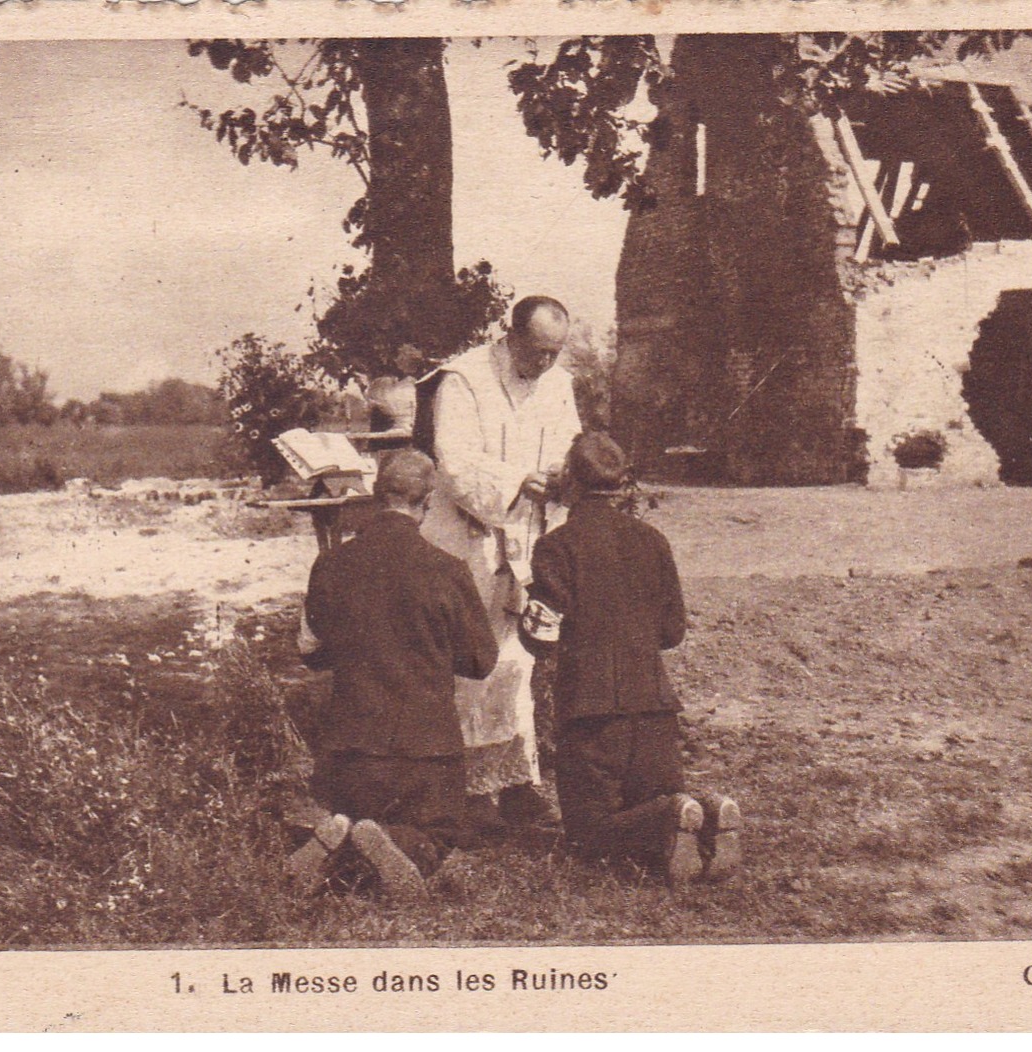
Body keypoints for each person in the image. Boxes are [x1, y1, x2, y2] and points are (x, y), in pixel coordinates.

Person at [519, 431, 742, 883]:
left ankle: (670, 817)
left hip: (591, 712)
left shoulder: (556, 547)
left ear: (572, 484)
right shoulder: (653, 541)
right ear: (620, 484)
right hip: (656, 708)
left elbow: (542, 637)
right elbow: (672, 630)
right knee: (650, 801)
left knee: (586, 836)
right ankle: (706, 812)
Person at [289, 450, 499, 898]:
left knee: (361, 821)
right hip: (426, 753)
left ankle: (340, 839)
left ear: (375, 498)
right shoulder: (448, 569)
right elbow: (481, 661)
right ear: (425, 505)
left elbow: (310, 650)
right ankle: (396, 843)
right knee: (443, 836)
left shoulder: (330, 565)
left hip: (350, 753)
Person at [418, 295, 582, 826]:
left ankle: (515, 782)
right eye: (536, 352)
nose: (544, 365)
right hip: (473, 536)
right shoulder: (463, 379)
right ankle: (467, 790)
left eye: (554, 353)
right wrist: (516, 482)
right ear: (509, 336)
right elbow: (455, 458)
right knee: (473, 657)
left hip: (531, 533)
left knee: (518, 660)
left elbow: (569, 440)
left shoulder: (557, 382)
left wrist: (563, 473)